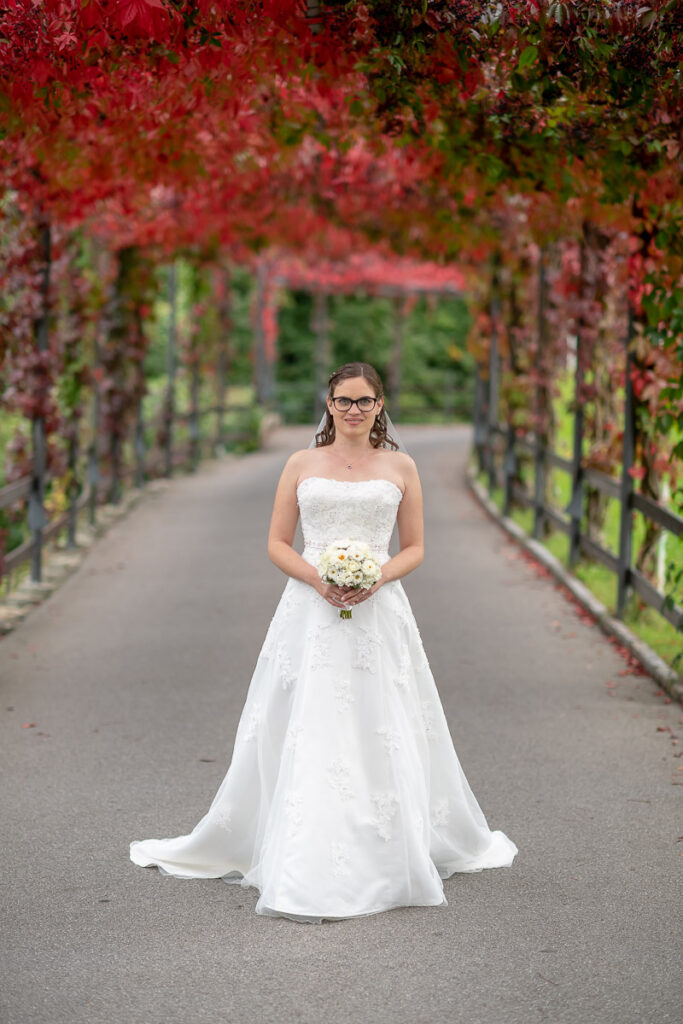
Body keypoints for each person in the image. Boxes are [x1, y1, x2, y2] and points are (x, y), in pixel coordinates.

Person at [130, 361, 517, 922]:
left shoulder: (401, 466)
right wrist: (318, 578)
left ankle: (387, 843)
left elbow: (414, 548)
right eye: (343, 400)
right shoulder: (301, 463)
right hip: (308, 609)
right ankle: (301, 845)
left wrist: (376, 576)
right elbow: (277, 543)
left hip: (379, 610)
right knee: (310, 720)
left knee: (380, 718)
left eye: (363, 401)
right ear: (329, 404)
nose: (353, 410)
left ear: (380, 405)